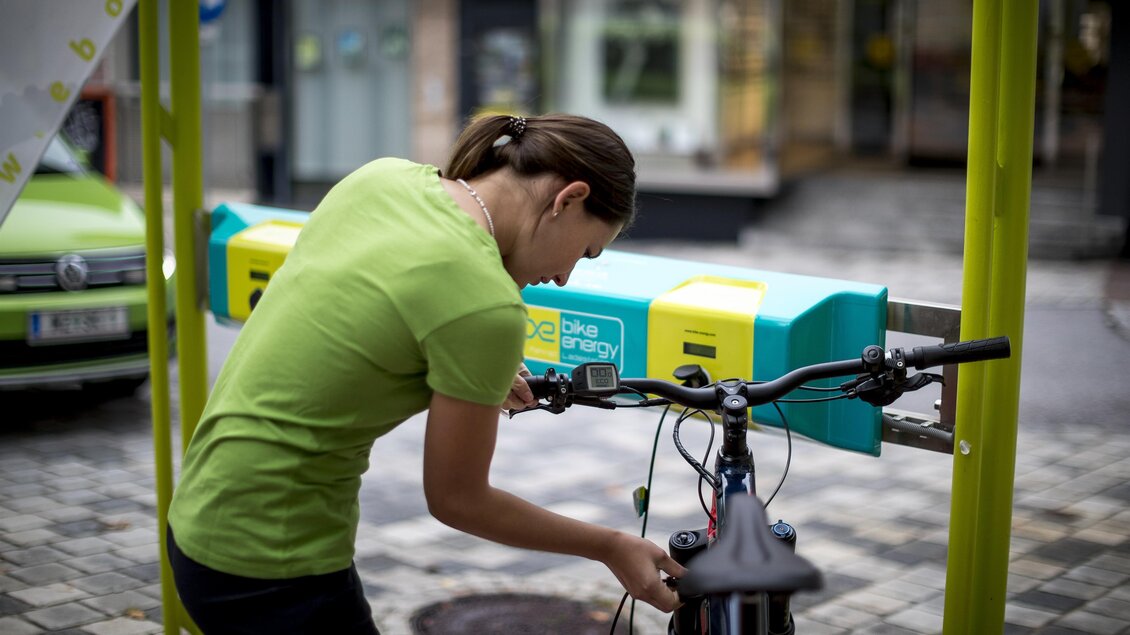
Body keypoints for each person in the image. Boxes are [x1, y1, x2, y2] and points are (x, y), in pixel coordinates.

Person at [166, 113, 686, 633]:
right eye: (586, 250)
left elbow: (362, 325)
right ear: (568, 199)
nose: (564, 276)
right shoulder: (487, 304)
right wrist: (610, 545)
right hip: (272, 561)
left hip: (200, 513)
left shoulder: (380, 179)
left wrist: (469, 363)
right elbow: (458, 501)